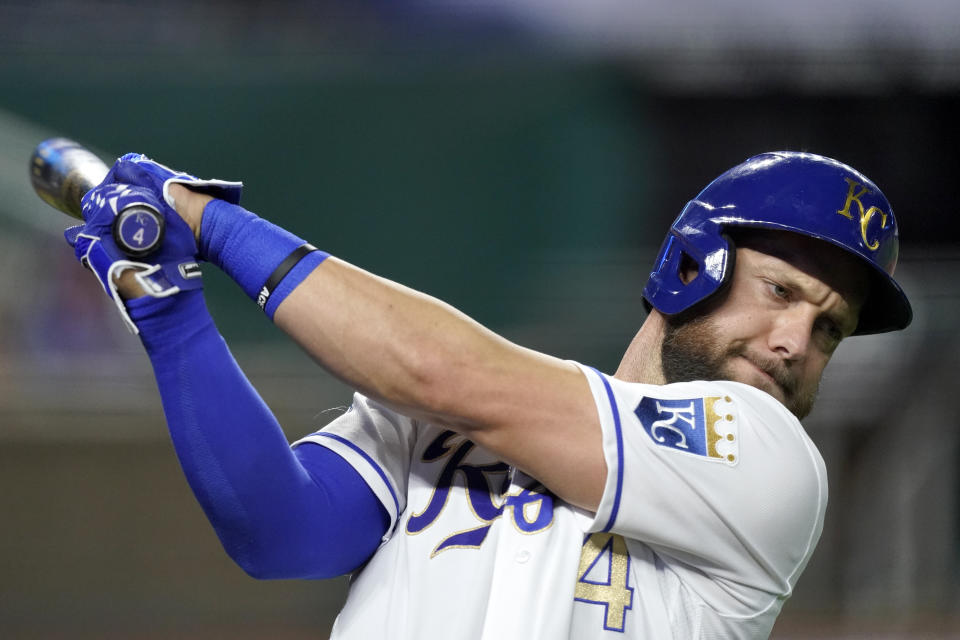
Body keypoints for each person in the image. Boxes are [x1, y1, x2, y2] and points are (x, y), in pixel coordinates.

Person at [64, 150, 911, 639]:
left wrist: (203, 217)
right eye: (781, 293)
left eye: (830, 328)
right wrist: (171, 318)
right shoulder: (464, 413)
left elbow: (445, 375)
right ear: (692, 265)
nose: (798, 342)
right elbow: (279, 533)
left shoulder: (769, 465)